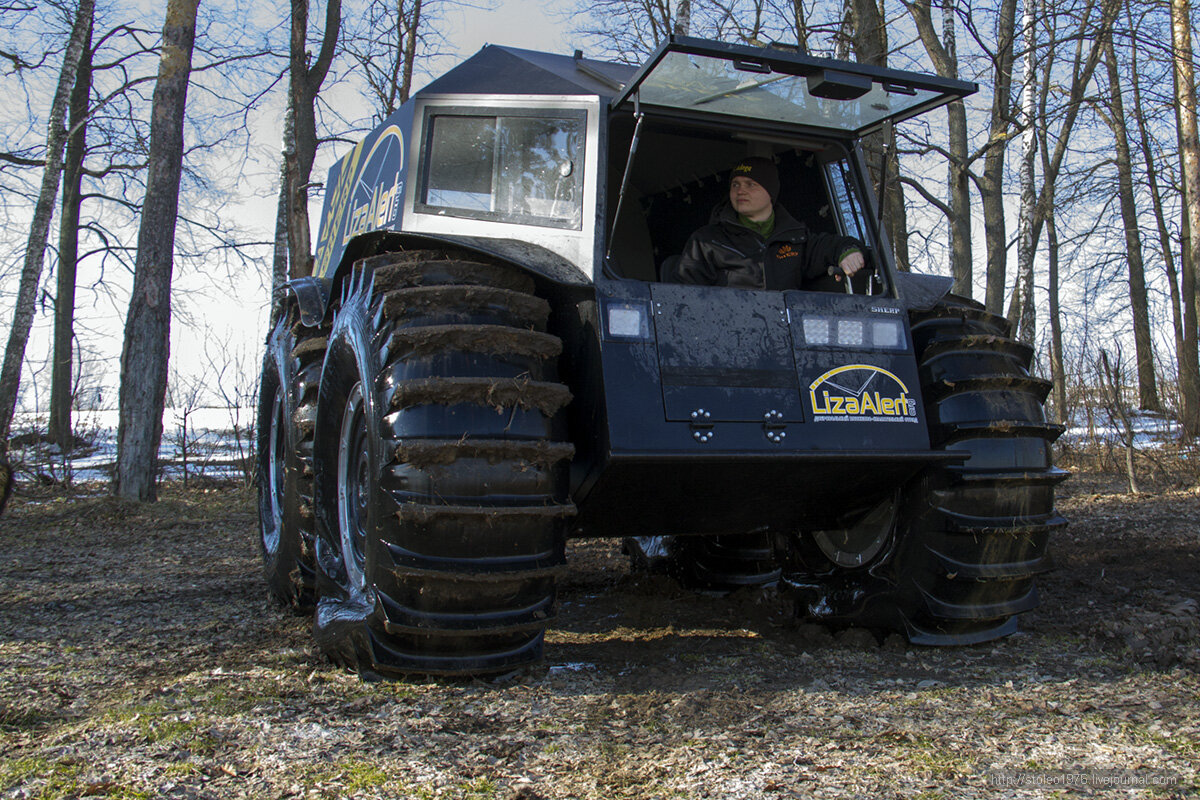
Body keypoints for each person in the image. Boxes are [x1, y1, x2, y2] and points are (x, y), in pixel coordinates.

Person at [675, 157, 866, 291]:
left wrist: (849, 252)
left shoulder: (796, 238)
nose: (740, 191)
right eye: (736, 184)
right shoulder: (706, 241)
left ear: (770, 193)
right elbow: (685, 296)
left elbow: (832, 246)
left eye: (750, 184)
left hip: (784, 337)